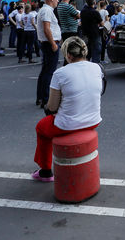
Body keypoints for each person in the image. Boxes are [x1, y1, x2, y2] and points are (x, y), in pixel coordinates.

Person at [32, 36, 102, 182]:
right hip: (94, 120)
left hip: (69, 125)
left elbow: (52, 106)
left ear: (68, 55)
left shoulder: (60, 73)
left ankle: (45, 170)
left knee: (41, 128)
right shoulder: (96, 67)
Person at [37, 0, 61, 107]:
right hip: (49, 44)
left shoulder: (45, 10)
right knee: (49, 72)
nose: (58, 0)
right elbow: (47, 29)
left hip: (47, 43)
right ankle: (46, 99)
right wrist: (53, 44)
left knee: (45, 71)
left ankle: (41, 97)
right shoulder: (47, 11)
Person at [80, 0, 103, 64]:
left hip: (85, 33)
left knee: (86, 51)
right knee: (96, 50)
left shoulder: (83, 11)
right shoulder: (95, 12)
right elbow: (102, 23)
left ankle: (86, 65)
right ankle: (95, 66)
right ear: (94, 2)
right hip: (95, 33)